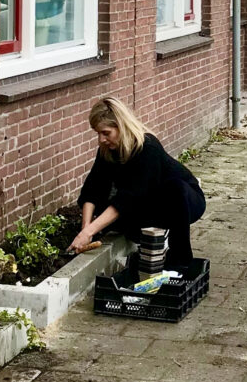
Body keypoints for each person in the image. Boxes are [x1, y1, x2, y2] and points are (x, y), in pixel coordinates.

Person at [69, 97, 206, 268]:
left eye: (106, 133)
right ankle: (143, 242)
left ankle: (181, 259)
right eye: (98, 133)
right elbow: (92, 189)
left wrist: (90, 231)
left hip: (184, 202)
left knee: (175, 189)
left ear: (122, 126)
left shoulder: (147, 148)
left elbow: (128, 198)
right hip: (147, 200)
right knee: (111, 213)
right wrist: (86, 229)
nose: (101, 140)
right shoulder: (107, 150)